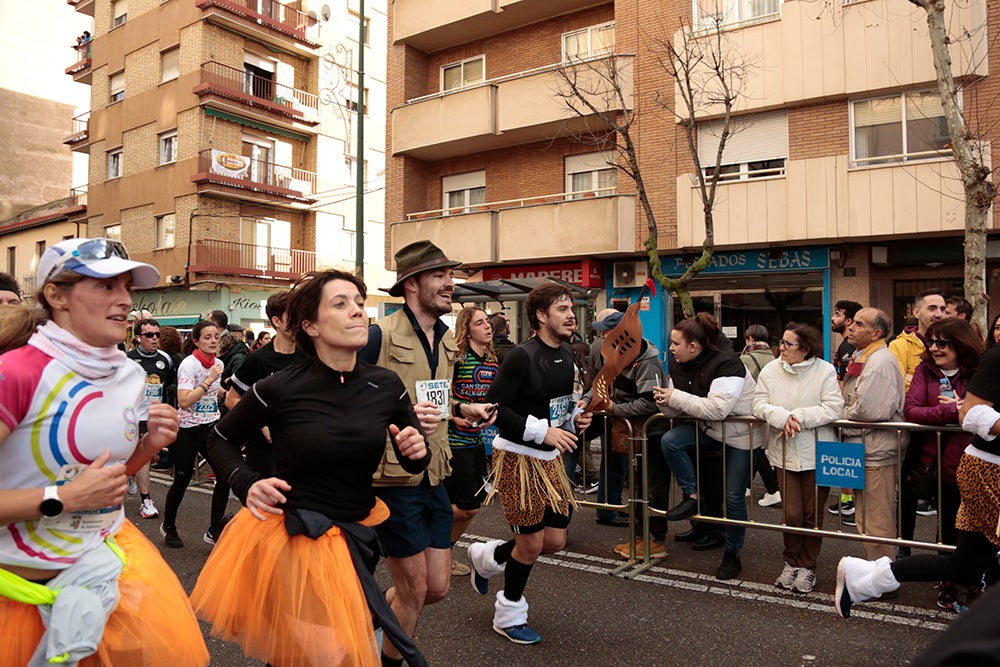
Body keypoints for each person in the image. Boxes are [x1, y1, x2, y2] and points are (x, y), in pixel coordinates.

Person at [191, 269, 430, 667]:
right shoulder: (280, 387)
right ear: (311, 326)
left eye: (358, 302)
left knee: (299, 656)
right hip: (294, 539)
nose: (357, 311)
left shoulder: (386, 385)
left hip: (357, 537)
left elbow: (412, 458)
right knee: (330, 655)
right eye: (341, 304)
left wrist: (415, 449)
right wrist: (246, 482)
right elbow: (219, 437)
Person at [0, 237, 208, 666]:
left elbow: (111, 479)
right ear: (56, 296)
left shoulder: (129, 374)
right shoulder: (15, 373)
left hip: (106, 571)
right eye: (106, 287)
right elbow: (76, 491)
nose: (125, 301)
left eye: (127, 288)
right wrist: (60, 500)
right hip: (19, 594)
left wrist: (149, 446)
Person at [358, 241, 495, 666]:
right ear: (412, 284)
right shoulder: (378, 336)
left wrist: (462, 409)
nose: (449, 283)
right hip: (391, 479)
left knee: (436, 587)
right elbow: (347, 401)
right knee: (414, 589)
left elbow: (435, 398)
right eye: (438, 276)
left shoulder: (447, 339)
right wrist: (395, 414)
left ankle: (370, 613)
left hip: (435, 472)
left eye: (449, 275)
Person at [835, 337, 1000, 619]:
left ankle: (865, 578)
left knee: (967, 564)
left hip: (982, 466)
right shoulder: (997, 357)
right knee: (969, 561)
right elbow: (969, 412)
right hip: (989, 470)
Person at [468, 283, 593, 644]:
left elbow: (558, 406)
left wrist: (574, 420)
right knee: (531, 545)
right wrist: (543, 433)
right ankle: (509, 612)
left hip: (550, 460)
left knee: (554, 540)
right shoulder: (520, 356)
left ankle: (487, 556)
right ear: (541, 315)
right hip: (517, 461)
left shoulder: (568, 352)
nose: (571, 315)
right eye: (562, 309)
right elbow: (495, 410)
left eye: (571, 308)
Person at [655, 312, 765, 580]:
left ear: (693, 346)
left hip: (741, 436)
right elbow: (677, 412)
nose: (670, 348)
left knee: (734, 497)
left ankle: (732, 554)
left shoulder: (729, 364)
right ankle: (691, 497)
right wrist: (664, 402)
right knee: (670, 440)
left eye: (675, 343)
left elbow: (717, 409)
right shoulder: (679, 363)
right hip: (710, 430)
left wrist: (676, 397)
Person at [752, 323, 844, 593]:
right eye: (781, 342)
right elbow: (758, 403)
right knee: (791, 514)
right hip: (784, 452)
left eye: (788, 344)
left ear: (805, 349)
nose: (781, 348)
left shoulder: (825, 370)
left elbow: (833, 407)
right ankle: (790, 562)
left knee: (812, 514)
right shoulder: (771, 369)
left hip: (818, 452)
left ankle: (808, 566)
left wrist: (799, 417)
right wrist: (781, 417)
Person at [903, 317, 983, 609]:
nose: (934, 348)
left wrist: (963, 410)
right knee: (948, 528)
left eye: (942, 342)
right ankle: (948, 584)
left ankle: (975, 582)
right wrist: (952, 412)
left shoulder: (979, 371)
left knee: (978, 530)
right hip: (939, 466)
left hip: (978, 465)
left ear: (960, 344)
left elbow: (988, 412)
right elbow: (912, 411)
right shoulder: (925, 370)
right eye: (931, 342)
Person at [584, 310, 661, 532]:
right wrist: (587, 399)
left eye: (607, 331)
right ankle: (609, 510)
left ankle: (644, 528)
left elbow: (650, 403)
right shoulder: (614, 353)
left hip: (640, 427)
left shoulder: (647, 361)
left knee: (640, 476)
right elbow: (601, 382)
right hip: (619, 421)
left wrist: (614, 408)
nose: (602, 336)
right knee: (615, 466)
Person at [841, 307, 908, 561]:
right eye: (852, 322)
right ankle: (876, 572)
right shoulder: (864, 356)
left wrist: (842, 416)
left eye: (859, 324)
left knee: (876, 518)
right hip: (865, 447)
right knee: (865, 515)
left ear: (876, 332)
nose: (851, 327)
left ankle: (882, 575)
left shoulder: (880, 360)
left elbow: (871, 409)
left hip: (876, 450)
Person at [160, 320, 231, 548]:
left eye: (216, 337)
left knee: (224, 475)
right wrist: (209, 380)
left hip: (210, 427)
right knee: (182, 477)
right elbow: (184, 400)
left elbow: (215, 392)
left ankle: (214, 530)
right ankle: (168, 525)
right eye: (208, 337)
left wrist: (226, 389)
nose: (213, 341)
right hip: (187, 429)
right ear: (196, 340)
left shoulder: (217, 363)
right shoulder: (189, 365)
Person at [225, 290, 308, 477]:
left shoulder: (310, 356)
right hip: (264, 451)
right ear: (276, 321)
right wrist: (262, 424)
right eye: (293, 317)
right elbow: (232, 399)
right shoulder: (258, 359)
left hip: (301, 448)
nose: (299, 322)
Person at [445, 307, 499, 576]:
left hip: (477, 441)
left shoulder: (492, 362)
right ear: (467, 329)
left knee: (470, 507)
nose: (488, 326)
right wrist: (456, 416)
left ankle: (442, 551)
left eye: (488, 321)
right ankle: (431, 535)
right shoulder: (455, 359)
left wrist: (493, 413)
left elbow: (493, 399)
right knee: (468, 506)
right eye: (480, 322)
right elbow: (440, 395)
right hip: (453, 442)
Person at [126, 317, 178, 520]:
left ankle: (132, 472)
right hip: (133, 416)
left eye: (157, 334)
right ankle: (146, 501)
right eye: (149, 335)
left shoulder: (166, 359)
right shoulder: (128, 360)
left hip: (153, 415)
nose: (155, 338)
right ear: (139, 338)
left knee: (150, 456)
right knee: (144, 457)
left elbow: (171, 383)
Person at [828, 300, 862, 522]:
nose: (833, 318)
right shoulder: (846, 345)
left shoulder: (848, 347)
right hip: (845, 410)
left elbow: (846, 382)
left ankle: (851, 504)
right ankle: (847, 501)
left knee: (849, 457)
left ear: (848, 321)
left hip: (848, 412)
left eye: (838, 314)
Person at [740, 324, 781, 508]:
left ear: (749, 339)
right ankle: (747, 486)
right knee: (756, 448)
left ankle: (773, 489)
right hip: (771, 409)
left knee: (755, 450)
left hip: (752, 410)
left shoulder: (746, 359)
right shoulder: (775, 358)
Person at [890, 288, 946, 393]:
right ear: (916, 313)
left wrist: (913, 378)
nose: (939, 314)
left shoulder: (952, 343)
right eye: (932, 308)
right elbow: (897, 385)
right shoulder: (899, 345)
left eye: (942, 309)